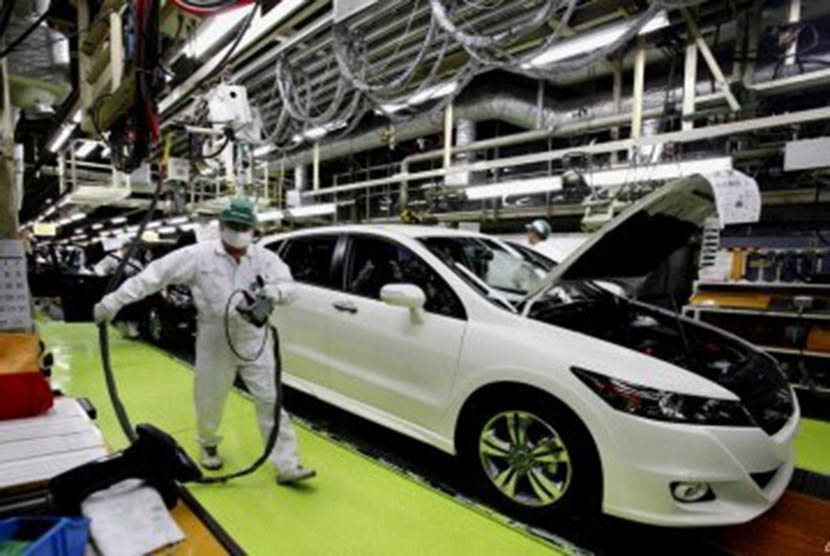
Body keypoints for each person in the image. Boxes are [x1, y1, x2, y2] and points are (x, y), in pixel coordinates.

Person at [94, 197, 315, 485]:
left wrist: (276, 292)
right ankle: (208, 443)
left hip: (254, 338)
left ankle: (287, 465)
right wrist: (113, 302)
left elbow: (290, 287)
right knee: (210, 398)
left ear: (253, 230)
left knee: (271, 401)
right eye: (233, 225)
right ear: (221, 225)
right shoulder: (197, 256)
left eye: (244, 227)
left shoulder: (265, 259)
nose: (238, 232)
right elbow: (152, 277)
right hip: (215, 337)